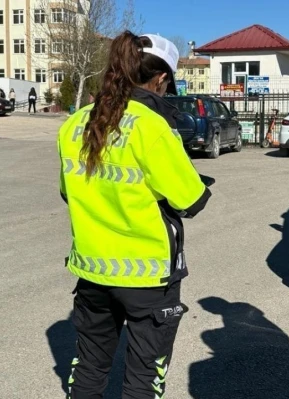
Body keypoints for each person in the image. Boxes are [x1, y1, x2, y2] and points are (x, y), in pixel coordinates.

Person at [57, 30, 212, 399]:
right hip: (147, 275)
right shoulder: (151, 126)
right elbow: (191, 200)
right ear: (161, 78)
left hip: (92, 270)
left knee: (90, 368)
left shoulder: (75, 123)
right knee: (144, 376)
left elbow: (67, 192)